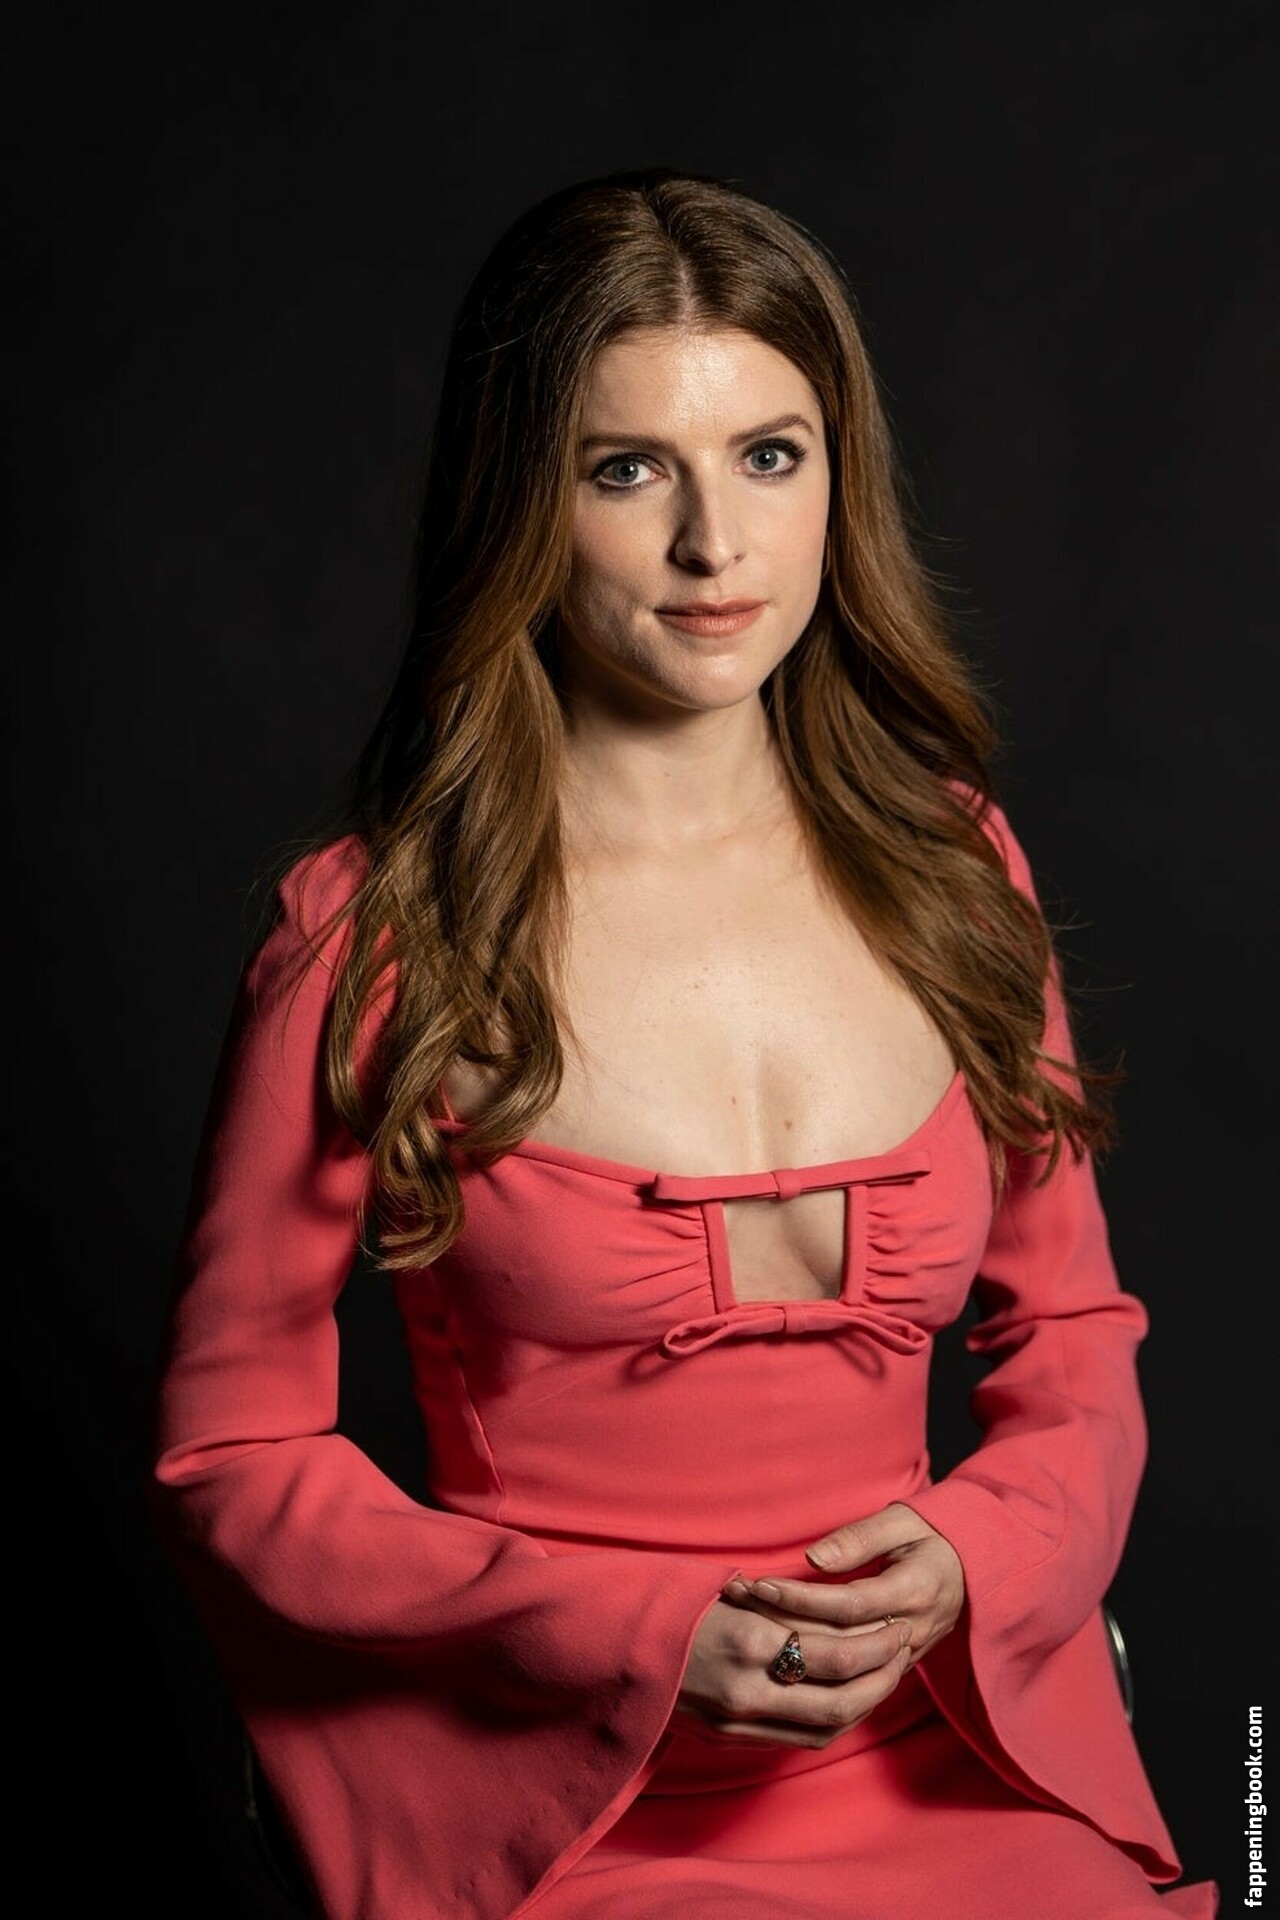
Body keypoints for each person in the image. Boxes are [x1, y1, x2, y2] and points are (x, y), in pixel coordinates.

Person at [149, 168, 1218, 1920]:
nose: (715, 545)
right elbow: (230, 1459)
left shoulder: (958, 869)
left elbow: (1075, 1333)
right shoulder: (370, 938)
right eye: (627, 469)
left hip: (959, 1754)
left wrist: (976, 1553)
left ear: (838, 477)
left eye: (770, 456)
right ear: (520, 501)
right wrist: (631, 1631)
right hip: (570, 1804)